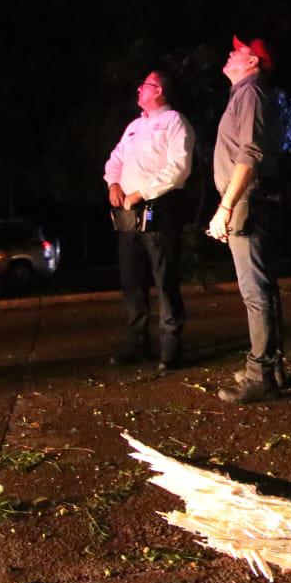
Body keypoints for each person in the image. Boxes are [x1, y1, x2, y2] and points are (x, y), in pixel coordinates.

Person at [208, 35, 286, 403]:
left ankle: (261, 376)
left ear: (252, 60)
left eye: (237, 49)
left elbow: (250, 153)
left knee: (255, 290)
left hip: (247, 200)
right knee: (262, 287)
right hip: (247, 199)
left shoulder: (251, 92)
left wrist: (226, 206)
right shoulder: (244, 93)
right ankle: (270, 368)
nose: (230, 51)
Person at [103, 69, 195, 370]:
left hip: (159, 209)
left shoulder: (175, 122)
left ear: (159, 90)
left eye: (144, 85)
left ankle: (171, 344)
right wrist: (114, 184)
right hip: (129, 214)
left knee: (164, 277)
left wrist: (142, 192)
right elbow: (115, 159)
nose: (139, 89)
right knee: (132, 280)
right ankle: (137, 342)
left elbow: (178, 168)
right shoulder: (133, 127)